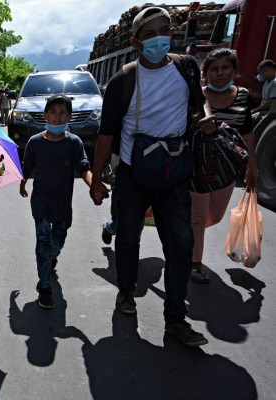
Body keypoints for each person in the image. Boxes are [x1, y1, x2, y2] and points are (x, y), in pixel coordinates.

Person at [89, 7, 209, 347]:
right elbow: (106, 135)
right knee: (128, 238)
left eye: (165, 30)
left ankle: (175, 318)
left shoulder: (186, 68)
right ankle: (126, 291)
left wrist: (205, 121)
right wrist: (97, 180)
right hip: (132, 174)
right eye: (150, 33)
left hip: (174, 174)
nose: (159, 38)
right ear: (135, 42)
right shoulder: (123, 81)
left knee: (181, 244)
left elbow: (198, 108)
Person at [189, 48, 258, 283]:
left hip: (227, 169)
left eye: (225, 68)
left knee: (215, 216)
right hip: (197, 167)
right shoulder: (197, 95)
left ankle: (185, 235)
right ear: (205, 73)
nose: (220, 73)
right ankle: (194, 262)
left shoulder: (242, 95)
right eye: (214, 69)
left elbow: (247, 132)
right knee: (198, 217)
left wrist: (252, 166)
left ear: (235, 71)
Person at [20, 94, 92, 309]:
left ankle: (52, 257)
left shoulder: (74, 142)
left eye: (62, 113)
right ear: (45, 115)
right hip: (41, 201)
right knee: (43, 242)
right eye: (53, 112)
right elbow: (27, 167)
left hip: (62, 204)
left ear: (69, 116)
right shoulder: (35, 142)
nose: (58, 117)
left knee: (57, 239)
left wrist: (94, 186)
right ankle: (44, 287)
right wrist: (22, 183)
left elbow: (84, 167)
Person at [251, 59, 276, 133]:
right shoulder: (268, 81)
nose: (260, 76)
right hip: (262, 109)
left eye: (261, 73)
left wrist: (255, 110)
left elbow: (271, 103)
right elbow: (264, 97)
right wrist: (252, 94)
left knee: (247, 119)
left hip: (267, 112)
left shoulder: (275, 83)